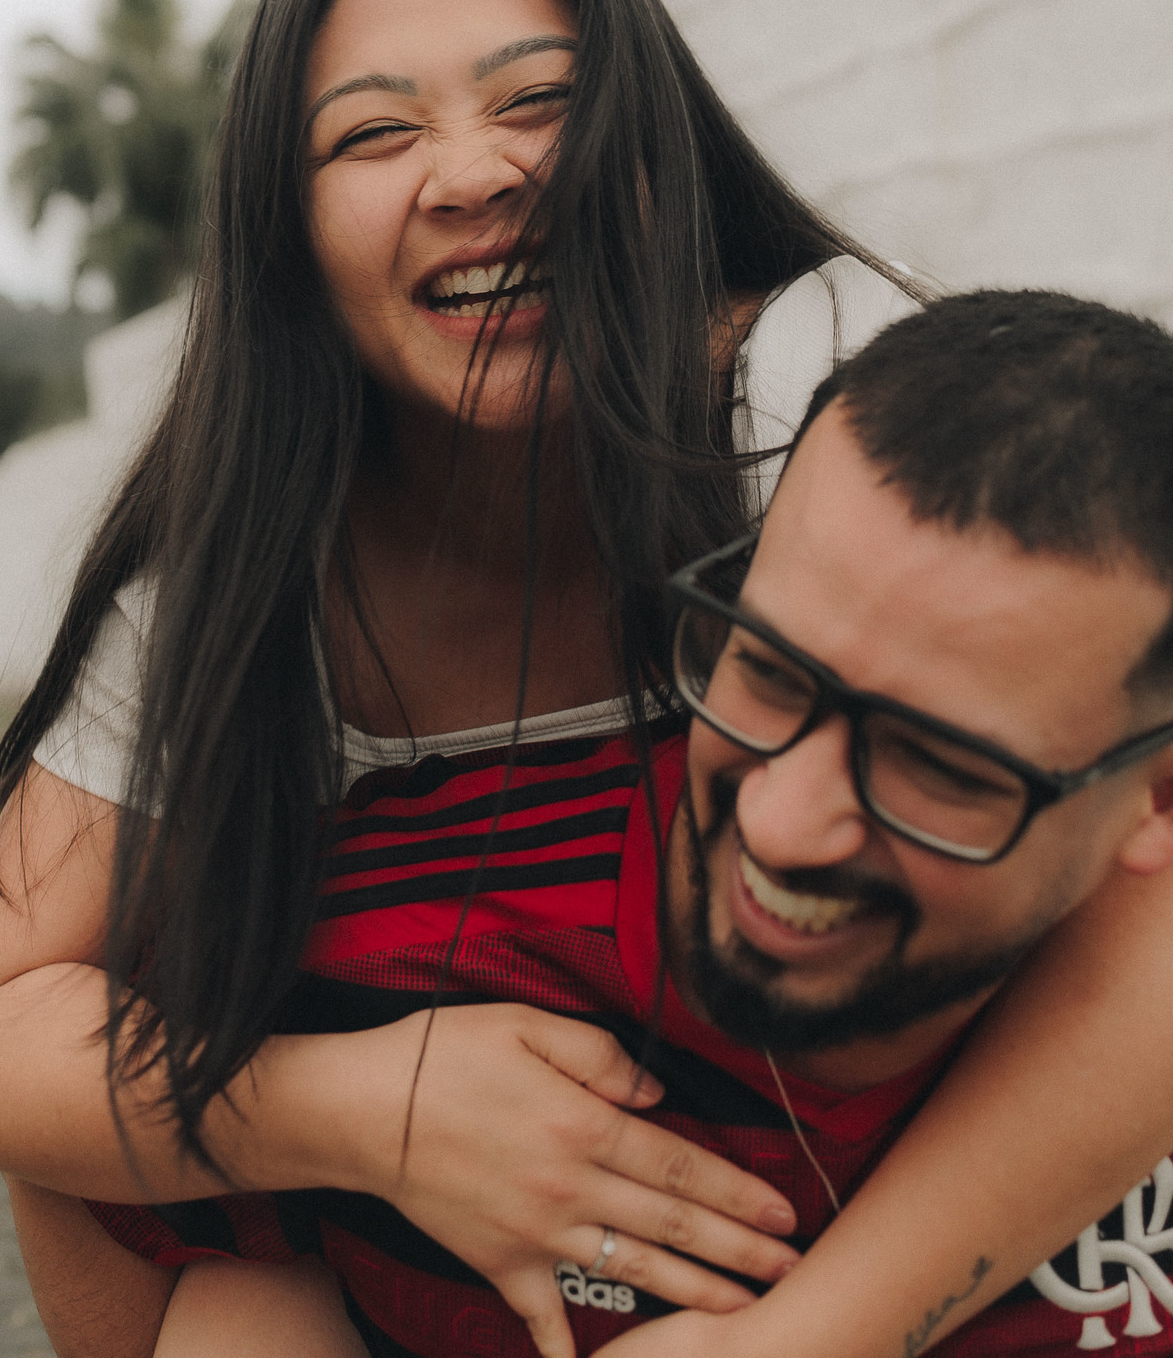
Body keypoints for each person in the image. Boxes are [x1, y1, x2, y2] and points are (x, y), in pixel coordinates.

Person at [0, 0, 1173, 1358]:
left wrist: (801, 1339)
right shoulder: (237, 575)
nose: (476, 174)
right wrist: (371, 1109)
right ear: (289, 232)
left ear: (649, 147)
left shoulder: (811, 395)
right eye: (373, 135)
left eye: (540, 102)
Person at [73, 289, 1173, 1358]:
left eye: (935, 764)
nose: (784, 828)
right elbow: (75, 1154)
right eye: (766, 667)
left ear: (1155, 800)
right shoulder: (384, 961)